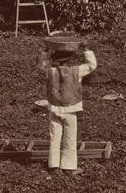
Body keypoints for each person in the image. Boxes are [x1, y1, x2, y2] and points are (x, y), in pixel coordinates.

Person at [40, 41, 98, 176]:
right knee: (70, 138)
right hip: (70, 109)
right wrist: (86, 49)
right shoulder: (76, 71)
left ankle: (53, 165)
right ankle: (68, 166)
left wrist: (45, 51)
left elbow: (42, 65)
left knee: (54, 137)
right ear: (70, 59)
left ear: (55, 59)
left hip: (54, 108)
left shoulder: (50, 71)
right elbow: (92, 65)